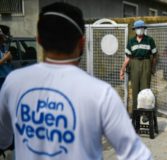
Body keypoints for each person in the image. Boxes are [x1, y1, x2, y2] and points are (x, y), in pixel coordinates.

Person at [0, 2, 152, 160]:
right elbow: (137, 155)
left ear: (39, 40)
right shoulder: (100, 93)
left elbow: (3, 139)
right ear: (82, 42)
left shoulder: (13, 82)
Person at [120, 20, 158, 114]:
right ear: (135, 29)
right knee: (135, 88)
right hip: (134, 63)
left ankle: (145, 113)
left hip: (146, 63)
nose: (139, 30)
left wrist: (152, 67)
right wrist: (122, 69)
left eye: (141, 28)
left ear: (144, 29)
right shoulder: (131, 42)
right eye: (137, 28)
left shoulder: (149, 40)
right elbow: (128, 58)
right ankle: (135, 112)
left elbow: (154, 55)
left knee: (145, 90)